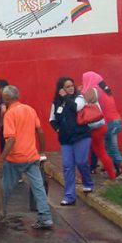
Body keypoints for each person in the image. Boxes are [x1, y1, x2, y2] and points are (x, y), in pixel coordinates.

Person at [0, 85, 53, 230]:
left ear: (6, 98)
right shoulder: (29, 109)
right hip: (32, 156)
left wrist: (0, 160)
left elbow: (11, 140)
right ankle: (45, 218)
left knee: (6, 187)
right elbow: (40, 131)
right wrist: (42, 151)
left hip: (15, 158)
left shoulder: (10, 114)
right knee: (38, 187)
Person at [49, 76, 93, 206]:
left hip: (81, 135)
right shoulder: (55, 103)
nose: (71, 88)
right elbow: (51, 119)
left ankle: (88, 183)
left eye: (72, 86)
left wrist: (66, 97)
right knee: (67, 167)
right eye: (67, 86)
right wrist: (58, 130)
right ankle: (69, 196)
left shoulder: (79, 98)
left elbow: (76, 108)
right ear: (61, 88)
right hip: (66, 139)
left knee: (81, 161)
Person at [82, 72, 122, 176]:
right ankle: (110, 168)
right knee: (106, 147)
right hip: (116, 121)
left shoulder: (93, 90)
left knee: (111, 148)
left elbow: (83, 101)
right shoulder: (104, 90)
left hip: (109, 122)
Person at [0, 79, 9, 153]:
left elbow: (3, 110)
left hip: (5, 128)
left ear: (2, 88)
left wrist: (1, 122)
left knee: (4, 147)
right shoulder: (8, 97)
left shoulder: (3, 98)